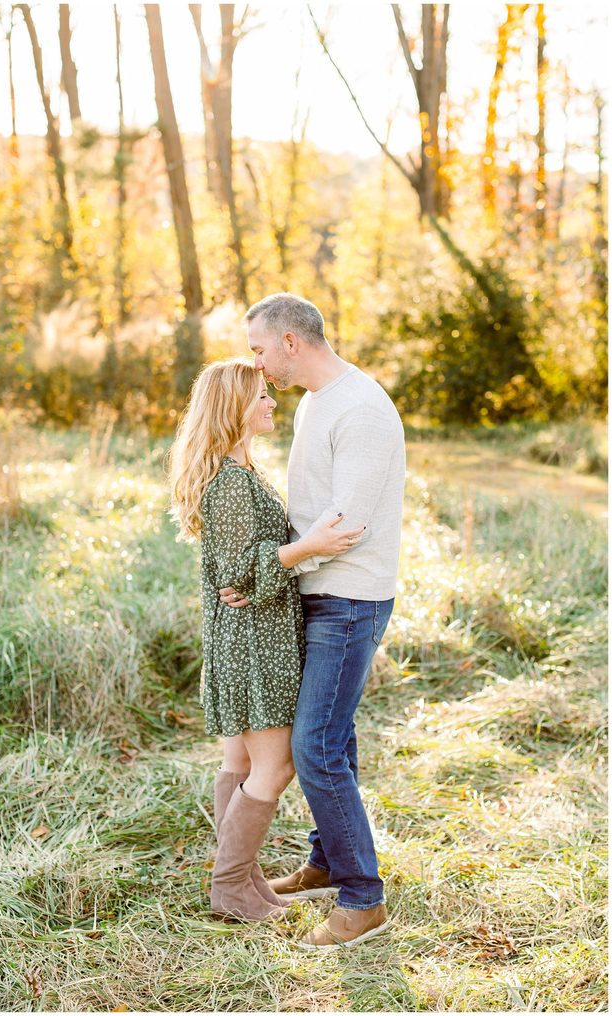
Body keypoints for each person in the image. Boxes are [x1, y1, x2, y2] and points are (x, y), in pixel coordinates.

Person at [219, 294, 405, 949]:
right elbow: (311, 521)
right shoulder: (317, 404)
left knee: (315, 747)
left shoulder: (361, 409)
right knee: (334, 737)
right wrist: (271, 572)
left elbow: (344, 527)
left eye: (261, 350)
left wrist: (272, 570)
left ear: (291, 342)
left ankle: (363, 899)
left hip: (349, 598)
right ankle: (327, 862)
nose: (259, 365)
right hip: (316, 592)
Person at [168, 359, 364, 922]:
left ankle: (245, 883)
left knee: (240, 761)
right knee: (274, 769)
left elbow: (241, 569)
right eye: (261, 396)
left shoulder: (238, 471)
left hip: (250, 635)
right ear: (234, 408)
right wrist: (310, 545)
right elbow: (235, 573)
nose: (272, 402)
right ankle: (230, 885)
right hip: (257, 644)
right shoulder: (229, 483)